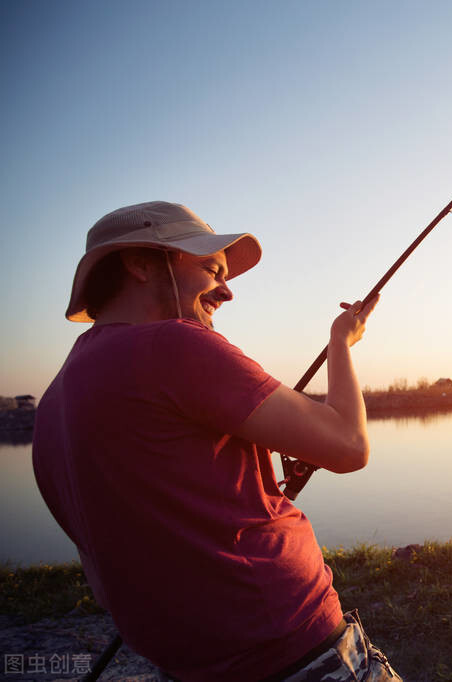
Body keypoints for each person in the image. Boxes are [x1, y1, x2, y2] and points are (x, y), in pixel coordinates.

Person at [32, 201, 400, 681]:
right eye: (211, 268)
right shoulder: (173, 345)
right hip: (293, 649)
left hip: (189, 667)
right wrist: (341, 340)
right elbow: (350, 446)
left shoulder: (54, 401)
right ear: (140, 263)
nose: (227, 291)